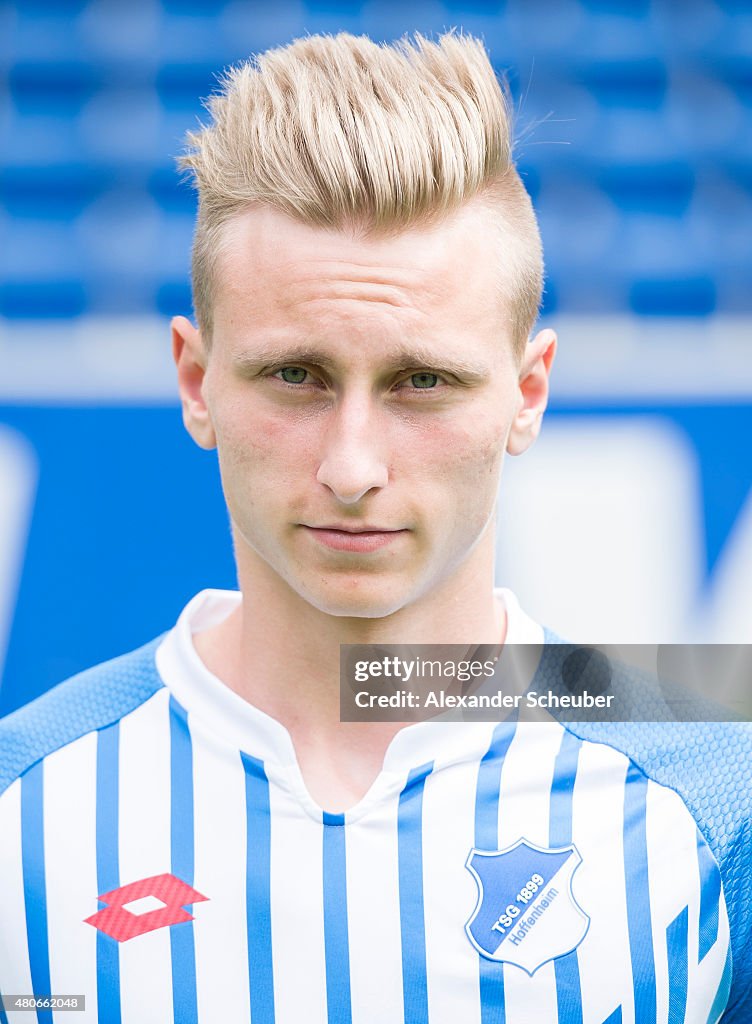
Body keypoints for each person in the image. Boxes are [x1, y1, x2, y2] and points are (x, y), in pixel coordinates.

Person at [0, 31, 749, 1024]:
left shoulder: (715, 802)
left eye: (420, 382)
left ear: (526, 393)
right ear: (195, 380)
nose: (352, 467)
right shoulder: (24, 812)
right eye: (295, 375)